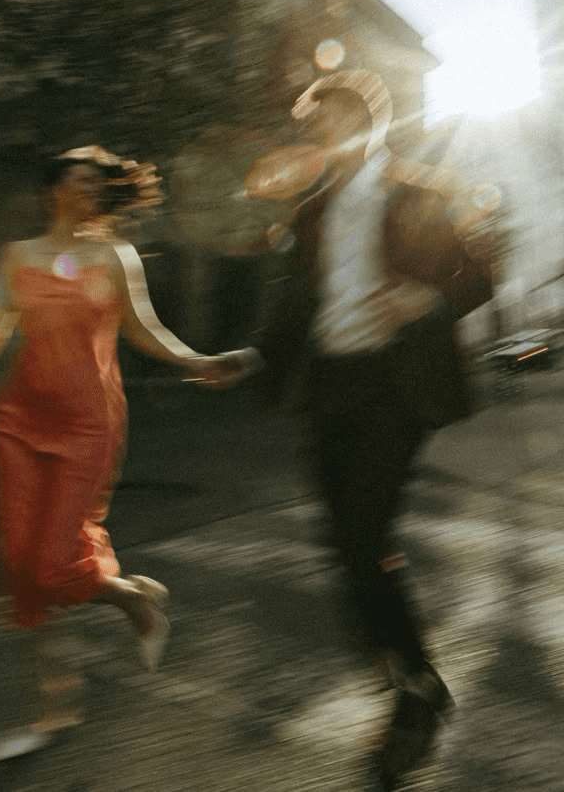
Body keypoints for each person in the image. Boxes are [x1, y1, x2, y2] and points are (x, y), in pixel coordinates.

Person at [232, 69, 497, 789]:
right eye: (314, 125)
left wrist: (425, 299)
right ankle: (410, 679)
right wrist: (252, 356)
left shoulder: (420, 193)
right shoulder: (311, 214)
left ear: (370, 124)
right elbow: (297, 312)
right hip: (331, 391)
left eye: (333, 121)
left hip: (396, 387)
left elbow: (479, 277)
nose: (321, 135)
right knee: (349, 547)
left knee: (359, 532)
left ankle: (412, 697)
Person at [0, 145, 225, 752]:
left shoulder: (115, 256)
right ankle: (55, 706)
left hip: (89, 423)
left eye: (97, 181)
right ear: (53, 190)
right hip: (19, 419)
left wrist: (197, 362)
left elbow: (143, 327)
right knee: (20, 567)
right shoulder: (20, 256)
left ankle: (134, 598)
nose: (91, 188)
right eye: (79, 178)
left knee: (57, 563)